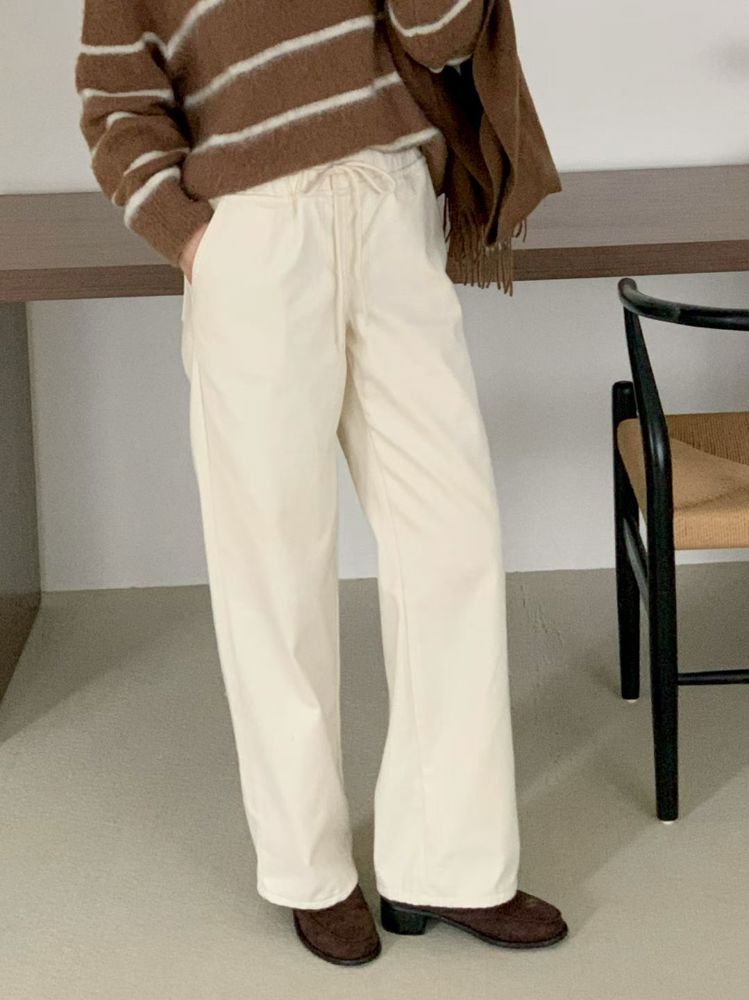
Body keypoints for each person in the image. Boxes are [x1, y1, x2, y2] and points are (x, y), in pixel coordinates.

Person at [75, 0, 568, 966]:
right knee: (273, 567)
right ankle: (309, 869)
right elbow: (115, 98)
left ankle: (449, 863)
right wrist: (193, 239)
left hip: (390, 206)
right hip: (256, 234)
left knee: (452, 544)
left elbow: (440, 34)